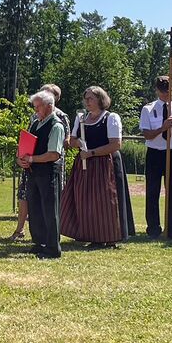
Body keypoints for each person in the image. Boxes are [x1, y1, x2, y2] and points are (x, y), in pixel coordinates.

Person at [61, 86, 136, 247]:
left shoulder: (110, 118)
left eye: (91, 98)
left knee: (106, 202)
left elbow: (115, 144)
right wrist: (79, 143)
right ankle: (92, 235)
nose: (87, 101)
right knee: (86, 200)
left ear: (100, 100)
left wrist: (92, 153)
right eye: (86, 98)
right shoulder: (81, 119)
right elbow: (72, 141)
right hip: (84, 164)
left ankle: (110, 237)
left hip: (106, 164)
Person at [10, 83, 71, 241]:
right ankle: (37, 241)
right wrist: (21, 158)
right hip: (33, 169)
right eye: (35, 106)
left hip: (49, 169)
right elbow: (26, 142)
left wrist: (33, 158)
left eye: (38, 106)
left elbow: (57, 151)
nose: (35, 110)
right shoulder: (36, 121)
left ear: (51, 104)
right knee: (34, 205)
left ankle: (51, 244)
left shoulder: (58, 122)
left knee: (49, 207)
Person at [139, 76, 172, 240]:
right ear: (156, 90)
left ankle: (171, 229)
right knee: (152, 191)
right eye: (162, 90)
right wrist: (162, 128)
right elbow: (147, 135)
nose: (165, 93)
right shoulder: (148, 109)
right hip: (155, 153)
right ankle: (153, 229)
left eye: (168, 89)